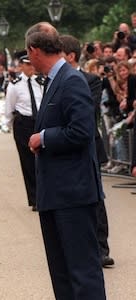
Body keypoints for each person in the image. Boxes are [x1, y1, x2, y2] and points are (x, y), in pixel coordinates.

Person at [26, 22, 106, 299]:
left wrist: (44, 137)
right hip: (57, 193)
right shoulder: (56, 80)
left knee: (82, 271)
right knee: (61, 272)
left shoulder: (71, 80)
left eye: (28, 55)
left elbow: (82, 131)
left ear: (35, 50)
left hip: (73, 193)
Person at [60, 34, 115, 267]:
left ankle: (101, 248)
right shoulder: (50, 80)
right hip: (62, 146)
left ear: (70, 56)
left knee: (95, 198)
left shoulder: (90, 79)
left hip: (87, 145)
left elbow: (86, 112)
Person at [4, 54, 43, 211]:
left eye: (32, 64)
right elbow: (9, 106)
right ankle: (35, 199)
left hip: (39, 122)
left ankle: (44, 195)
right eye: (27, 64)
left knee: (43, 160)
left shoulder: (40, 82)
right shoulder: (14, 85)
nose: (31, 67)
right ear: (21, 66)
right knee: (27, 161)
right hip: (23, 123)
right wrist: (9, 125)